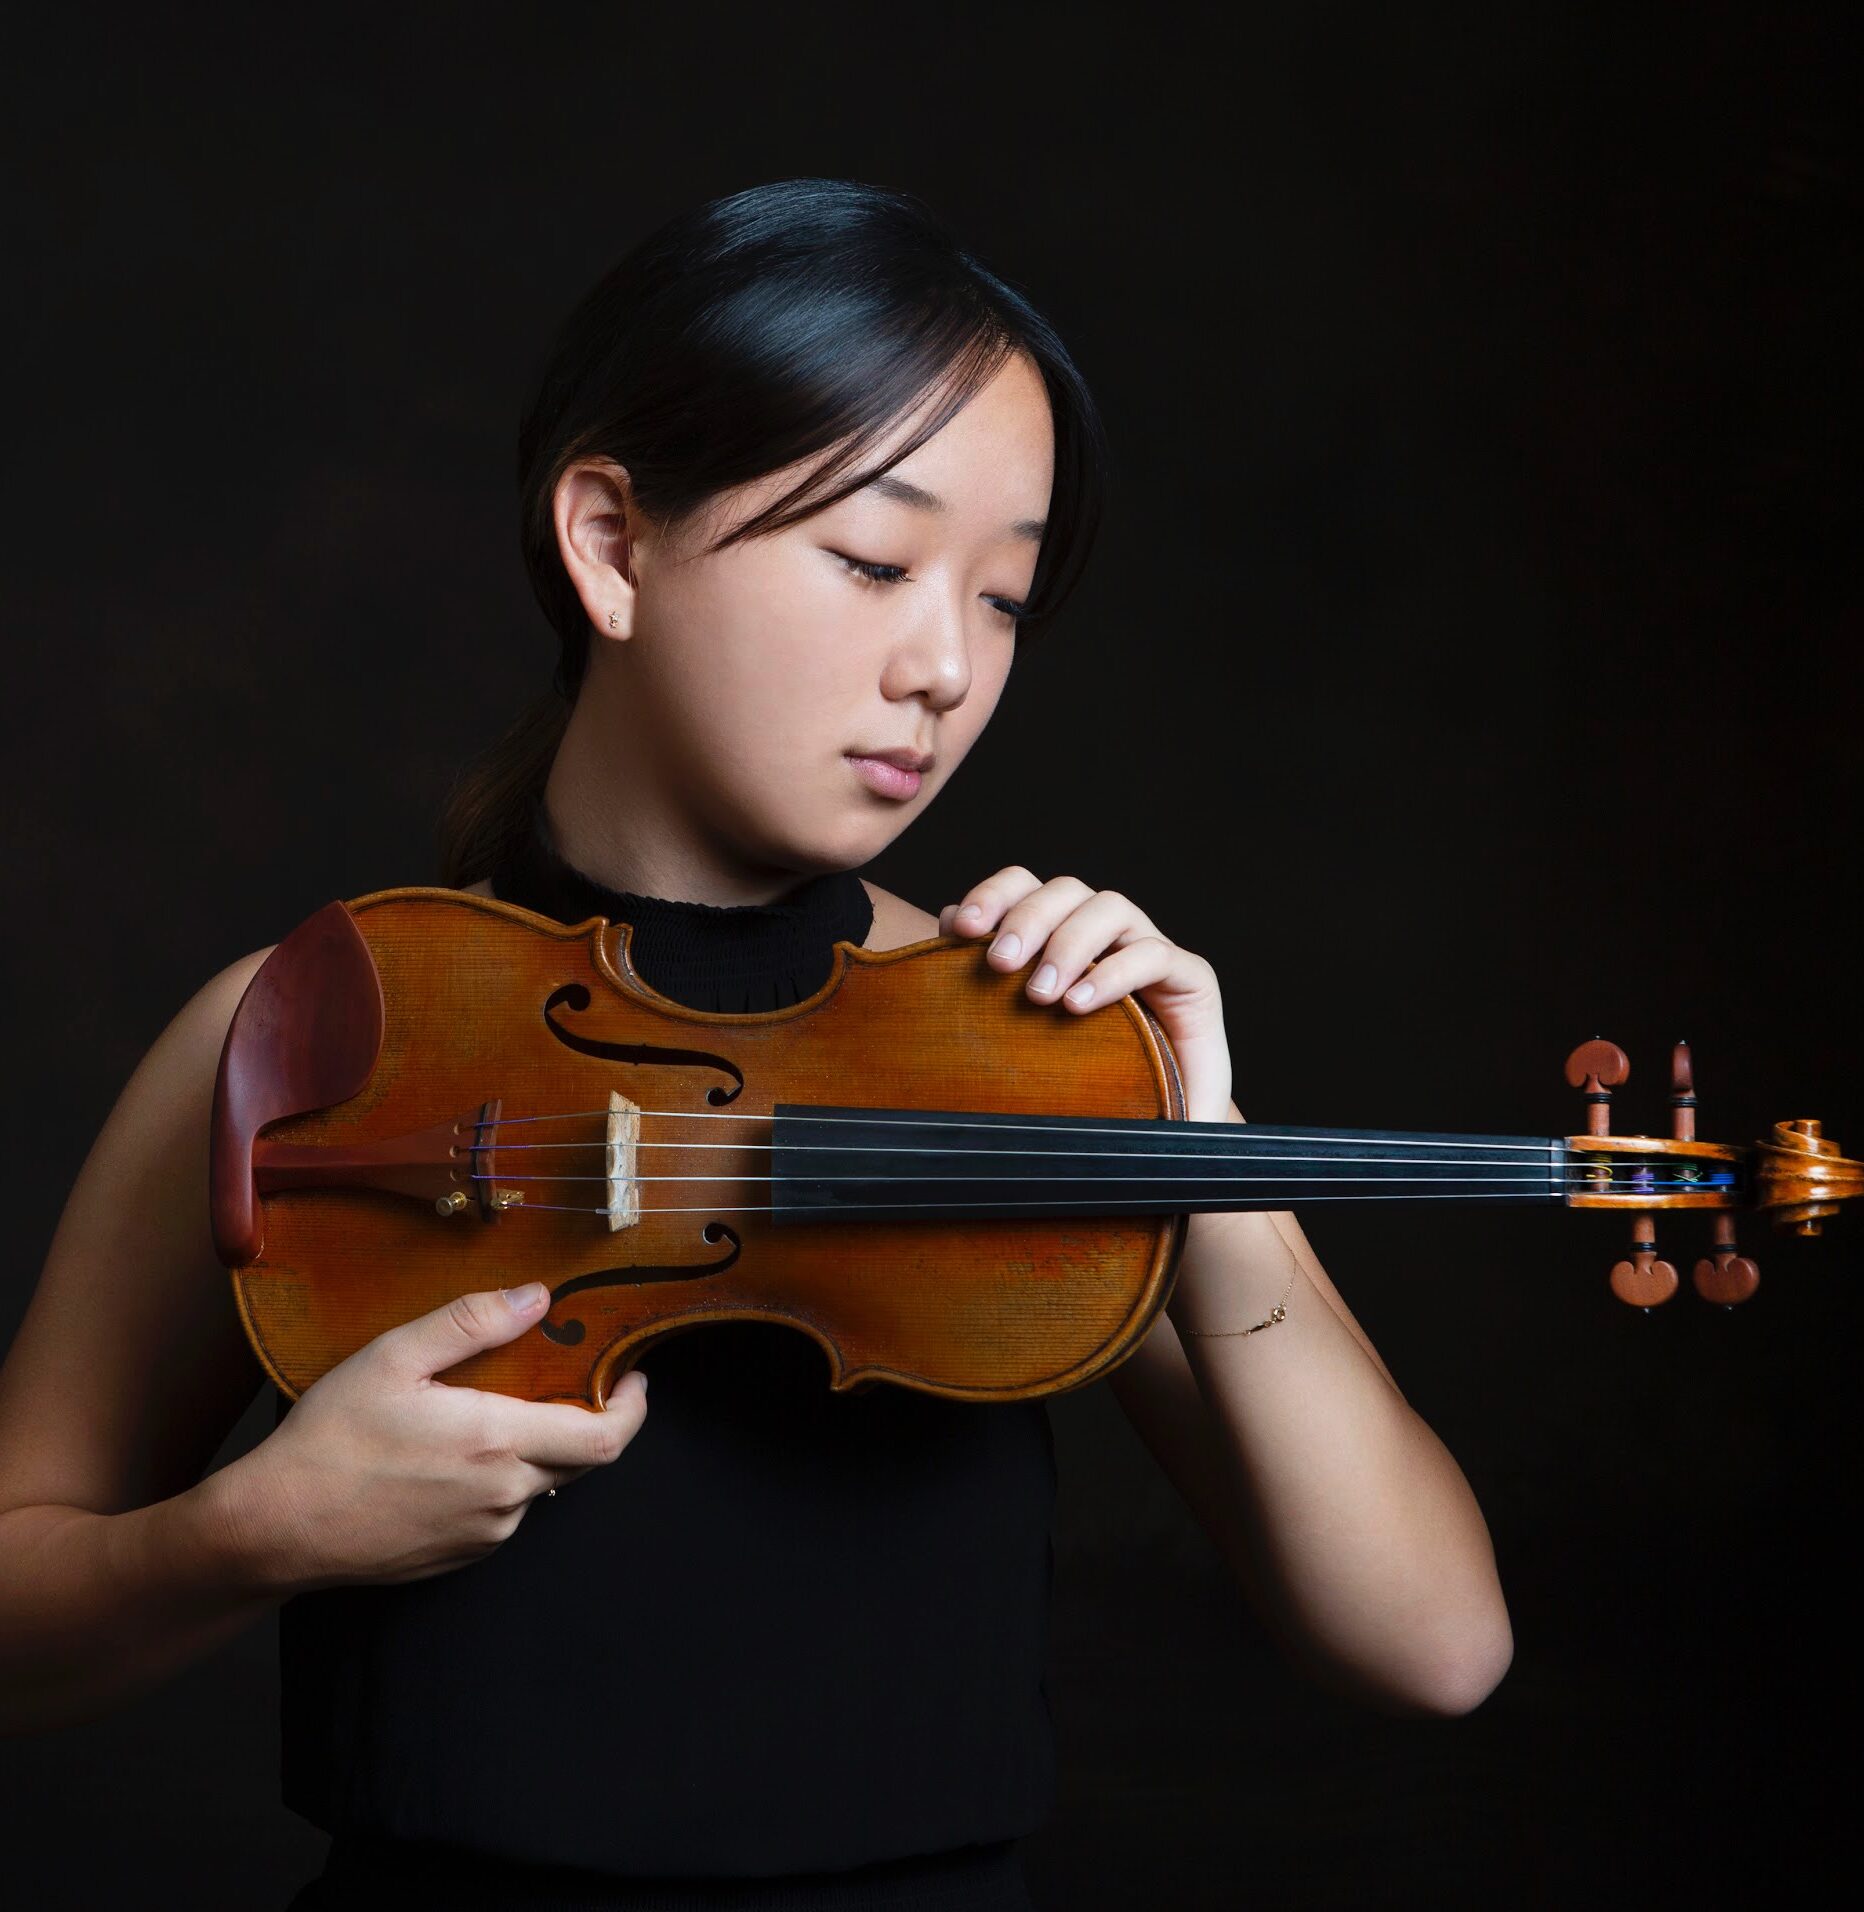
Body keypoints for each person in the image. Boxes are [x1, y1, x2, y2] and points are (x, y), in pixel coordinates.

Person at [0, 179, 1512, 1908]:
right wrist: (251, 1532)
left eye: (1007, 598)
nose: (945, 666)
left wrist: (1208, 1139)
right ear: (611, 543)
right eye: (872, 560)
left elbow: (1435, 1647)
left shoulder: (1031, 1047)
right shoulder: (310, 1028)